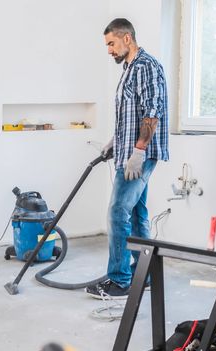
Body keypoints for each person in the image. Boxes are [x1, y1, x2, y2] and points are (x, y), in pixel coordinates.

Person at [86, 18, 169, 300]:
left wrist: (139, 151)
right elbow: (129, 115)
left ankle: (120, 281)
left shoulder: (145, 66)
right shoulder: (129, 68)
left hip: (138, 155)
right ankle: (141, 274)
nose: (109, 49)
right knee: (135, 213)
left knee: (117, 212)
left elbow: (152, 111)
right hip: (127, 151)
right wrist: (115, 142)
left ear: (127, 39)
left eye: (111, 43)